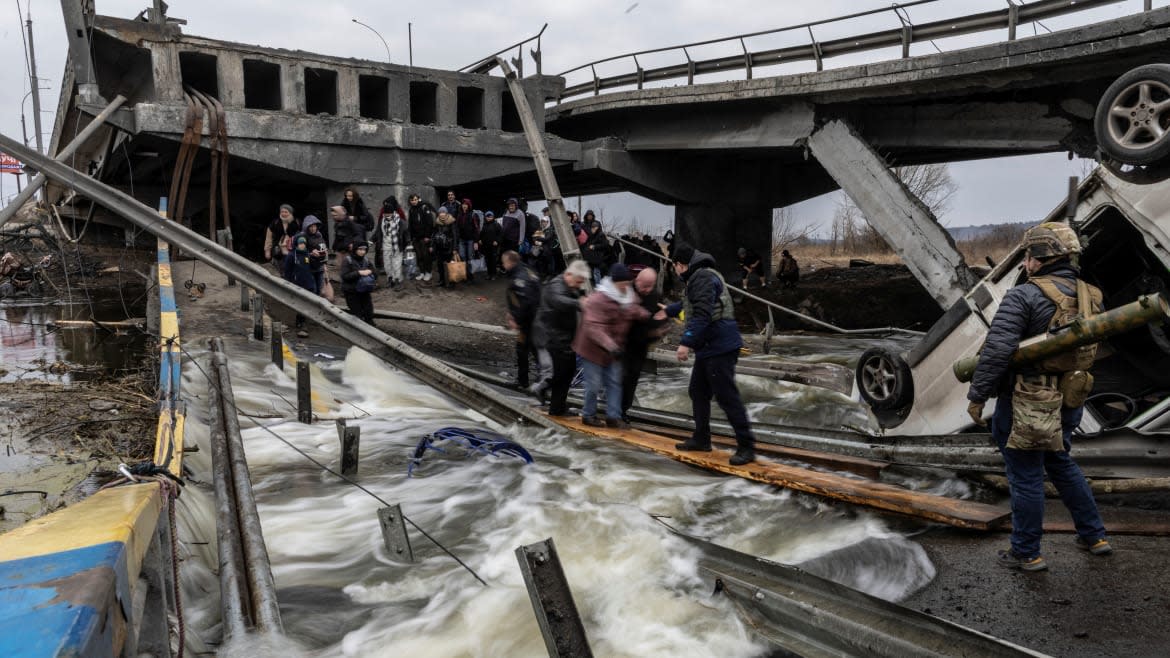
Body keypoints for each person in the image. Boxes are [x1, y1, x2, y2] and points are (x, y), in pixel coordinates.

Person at [966, 222, 1111, 572]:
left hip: (1026, 400)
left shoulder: (1024, 296)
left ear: (1041, 257)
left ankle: (1026, 552)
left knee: (1025, 474)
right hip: (1070, 397)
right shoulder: (1091, 294)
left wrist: (977, 395)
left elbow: (997, 351)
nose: (1025, 262)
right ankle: (1095, 537)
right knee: (1061, 463)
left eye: (1028, 255)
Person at [667, 243, 756, 466]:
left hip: (721, 346)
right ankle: (701, 439)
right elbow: (691, 303)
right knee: (697, 391)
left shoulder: (702, 278)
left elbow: (702, 313)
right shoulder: (698, 276)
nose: (675, 270)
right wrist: (668, 310)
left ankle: (746, 447)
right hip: (709, 346)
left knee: (727, 396)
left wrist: (685, 342)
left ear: (680, 264)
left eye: (674, 266)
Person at [572, 263, 649, 429]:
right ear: (614, 282)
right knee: (593, 384)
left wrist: (650, 317)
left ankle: (613, 417)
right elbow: (593, 327)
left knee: (615, 382)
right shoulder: (598, 299)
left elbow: (635, 310)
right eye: (623, 283)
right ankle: (588, 415)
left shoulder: (629, 296)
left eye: (628, 283)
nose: (626, 286)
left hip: (614, 350)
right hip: (592, 349)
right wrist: (611, 346)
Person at [532, 259, 590, 415]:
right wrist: (579, 303)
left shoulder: (571, 286)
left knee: (568, 372)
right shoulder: (555, 285)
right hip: (552, 338)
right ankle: (543, 390)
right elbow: (559, 301)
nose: (578, 285)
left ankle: (556, 405)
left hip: (565, 338)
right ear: (569, 274)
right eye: (578, 282)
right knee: (561, 373)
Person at [621, 268, 668, 421]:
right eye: (644, 286)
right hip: (623, 344)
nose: (647, 290)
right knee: (618, 379)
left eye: (651, 286)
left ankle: (623, 412)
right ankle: (611, 410)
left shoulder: (655, 296)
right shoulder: (627, 292)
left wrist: (658, 329)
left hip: (641, 346)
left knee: (631, 380)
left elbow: (660, 318)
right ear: (637, 281)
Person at [503, 250, 542, 387]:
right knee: (533, 348)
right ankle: (537, 379)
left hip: (529, 320)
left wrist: (516, 319)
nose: (503, 266)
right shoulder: (527, 270)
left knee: (524, 349)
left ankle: (524, 380)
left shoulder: (519, 278)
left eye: (504, 263)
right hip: (535, 317)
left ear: (509, 262)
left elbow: (525, 301)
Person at [282, 235, 318, 337]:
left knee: (308, 303)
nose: (302, 245)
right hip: (297, 284)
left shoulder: (307, 254)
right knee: (301, 304)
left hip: (308, 283)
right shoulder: (291, 256)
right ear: (296, 244)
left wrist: (315, 258)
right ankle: (301, 323)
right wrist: (288, 283)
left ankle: (303, 321)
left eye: (304, 243)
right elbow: (287, 271)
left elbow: (314, 267)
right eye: (300, 243)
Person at [374, 196, 408, 289]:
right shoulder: (382, 221)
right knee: (387, 265)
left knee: (396, 264)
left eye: (389, 214)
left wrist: (407, 244)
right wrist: (371, 240)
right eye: (385, 214)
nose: (387, 216)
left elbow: (405, 233)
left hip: (397, 246)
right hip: (386, 246)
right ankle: (390, 279)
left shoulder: (400, 221)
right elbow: (378, 232)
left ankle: (398, 281)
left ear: (393, 212)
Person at [340, 241, 376, 325]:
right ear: (355, 249)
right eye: (360, 249)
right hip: (351, 292)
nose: (362, 251)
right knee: (357, 315)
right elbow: (345, 276)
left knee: (369, 313)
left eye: (364, 249)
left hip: (364, 291)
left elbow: (375, 272)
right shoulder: (347, 260)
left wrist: (370, 271)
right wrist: (359, 273)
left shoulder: (366, 260)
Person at [294, 215, 328, 296]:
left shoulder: (319, 235)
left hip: (319, 266)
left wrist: (325, 264)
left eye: (315, 226)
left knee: (320, 290)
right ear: (307, 226)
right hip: (308, 267)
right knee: (312, 289)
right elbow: (298, 252)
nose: (313, 228)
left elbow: (324, 248)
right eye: (311, 226)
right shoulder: (301, 236)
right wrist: (310, 253)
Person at [408, 194, 436, 281]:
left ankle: (428, 272)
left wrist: (427, 236)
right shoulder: (411, 210)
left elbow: (429, 222)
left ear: (418, 199)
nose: (414, 201)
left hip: (424, 237)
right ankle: (422, 272)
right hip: (416, 238)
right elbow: (410, 225)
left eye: (415, 199)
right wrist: (411, 237)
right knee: (419, 256)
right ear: (410, 201)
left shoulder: (424, 207)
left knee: (426, 255)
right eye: (412, 200)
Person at [331, 205, 366, 273]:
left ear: (340, 214)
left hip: (348, 250)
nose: (333, 217)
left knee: (350, 268)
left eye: (335, 215)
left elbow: (358, 234)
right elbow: (337, 237)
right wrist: (334, 247)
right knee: (341, 268)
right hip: (340, 250)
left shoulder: (349, 223)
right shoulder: (337, 224)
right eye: (333, 215)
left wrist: (353, 243)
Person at [432, 206, 459, 289]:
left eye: (443, 212)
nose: (442, 214)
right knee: (440, 266)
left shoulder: (452, 222)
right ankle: (442, 281)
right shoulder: (437, 222)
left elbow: (455, 236)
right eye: (440, 213)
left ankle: (452, 282)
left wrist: (454, 248)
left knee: (450, 266)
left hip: (449, 248)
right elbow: (434, 234)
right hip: (439, 248)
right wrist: (432, 245)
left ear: (446, 213)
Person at [455, 198, 480, 283]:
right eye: (463, 204)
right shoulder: (459, 215)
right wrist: (457, 239)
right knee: (462, 257)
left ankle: (470, 276)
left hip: (470, 240)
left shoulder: (473, 214)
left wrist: (476, 241)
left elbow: (477, 229)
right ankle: (464, 274)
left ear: (469, 205)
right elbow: (457, 228)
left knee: (470, 258)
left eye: (466, 204)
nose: (464, 206)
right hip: (462, 240)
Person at [581, 218, 613, 285]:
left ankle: (598, 286)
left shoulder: (601, 235)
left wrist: (594, 247)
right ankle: (596, 285)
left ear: (597, 228)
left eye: (594, 227)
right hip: (593, 257)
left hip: (597, 257)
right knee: (594, 272)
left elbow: (605, 244)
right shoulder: (593, 235)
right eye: (592, 227)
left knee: (596, 272)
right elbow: (588, 243)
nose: (593, 229)